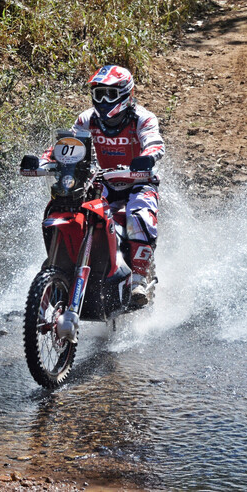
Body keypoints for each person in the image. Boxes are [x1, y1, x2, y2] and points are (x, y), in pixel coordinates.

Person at [73, 64, 164, 309]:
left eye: (110, 94)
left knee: (139, 215)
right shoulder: (87, 119)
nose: (103, 101)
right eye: (99, 94)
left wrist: (148, 156)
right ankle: (69, 269)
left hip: (140, 181)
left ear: (126, 93)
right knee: (78, 210)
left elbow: (154, 141)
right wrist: (47, 158)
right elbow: (70, 144)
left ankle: (139, 279)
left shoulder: (142, 118)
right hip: (103, 182)